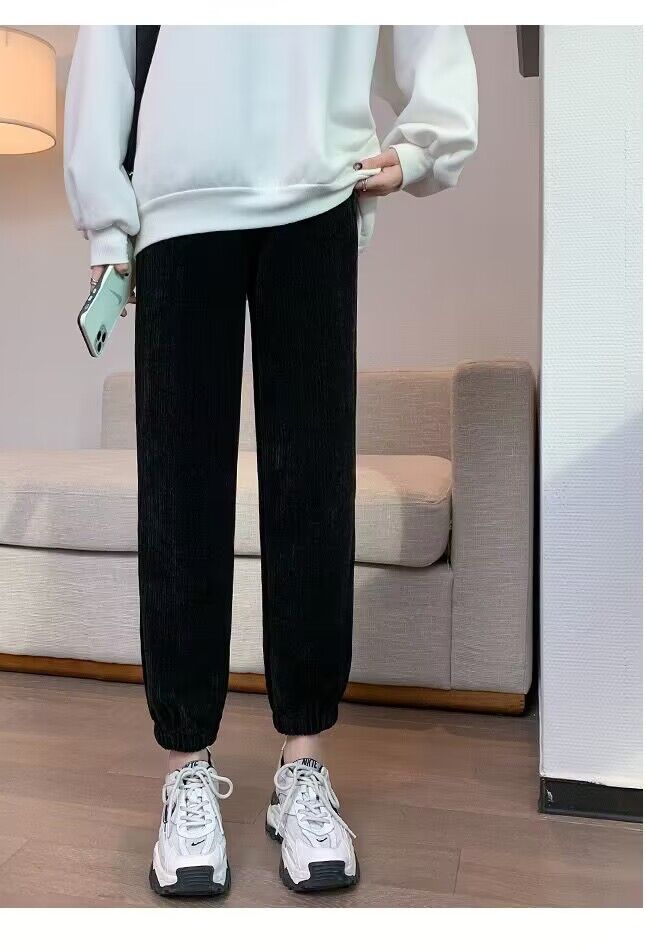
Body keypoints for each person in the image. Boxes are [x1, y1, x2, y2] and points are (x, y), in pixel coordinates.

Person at [64, 25, 477, 897]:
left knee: (312, 491)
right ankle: (186, 768)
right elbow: (110, 36)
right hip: (178, 204)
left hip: (315, 194)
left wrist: (428, 141)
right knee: (179, 498)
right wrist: (108, 226)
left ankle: (304, 765)